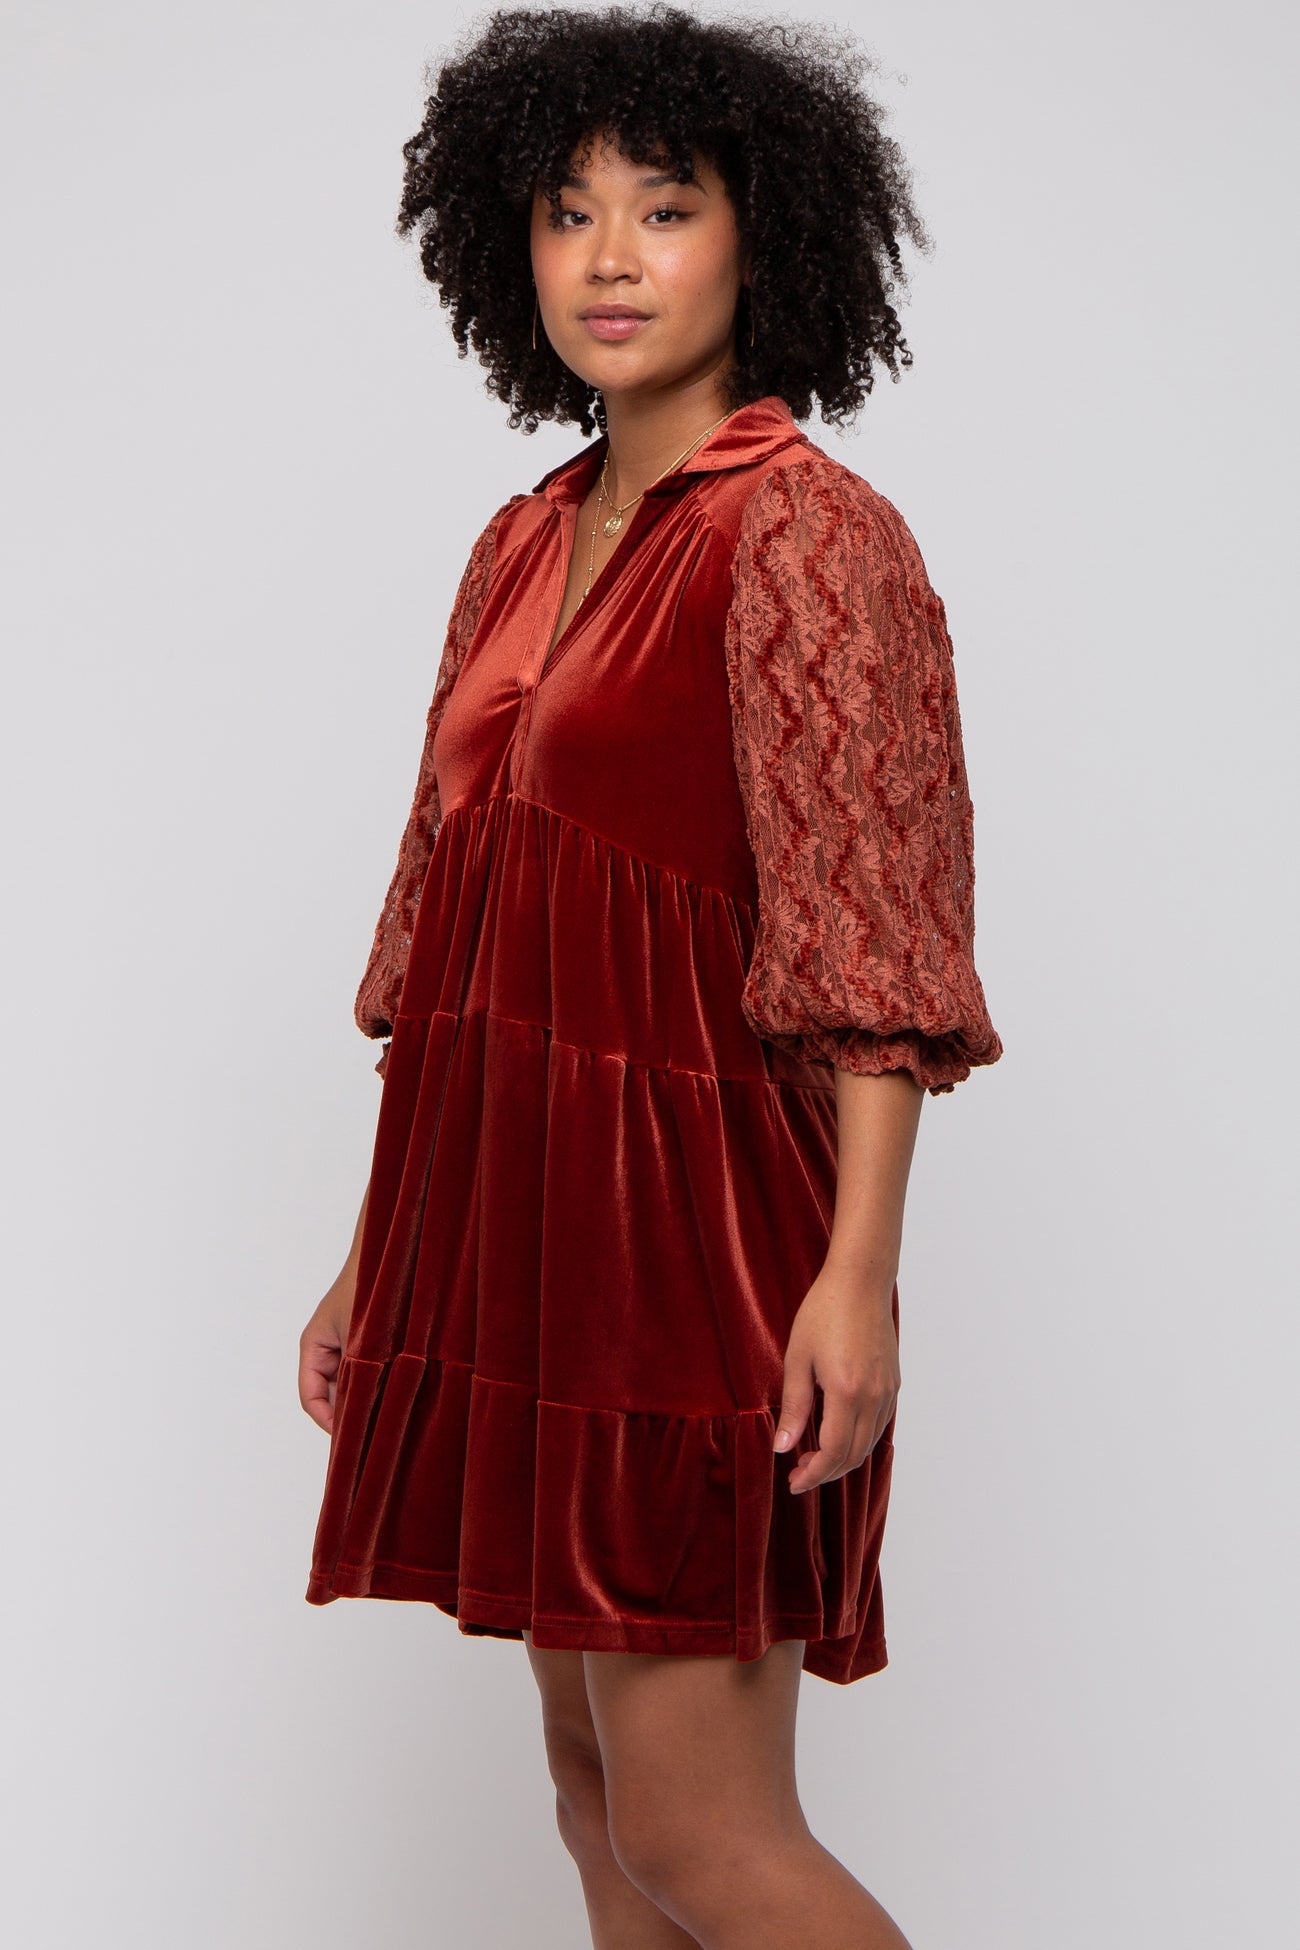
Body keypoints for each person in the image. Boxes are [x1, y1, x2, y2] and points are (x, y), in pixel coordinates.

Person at [297, 7, 1003, 1944]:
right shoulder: (519, 544)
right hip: (516, 1235)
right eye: (566, 211)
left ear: (761, 239)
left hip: (697, 1244)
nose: (608, 258)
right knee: (595, 1794)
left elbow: (874, 942)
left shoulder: (809, 537)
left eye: (666, 208)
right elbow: (451, 930)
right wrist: (377, 1259)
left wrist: (855, 1277)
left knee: (704, 1831)